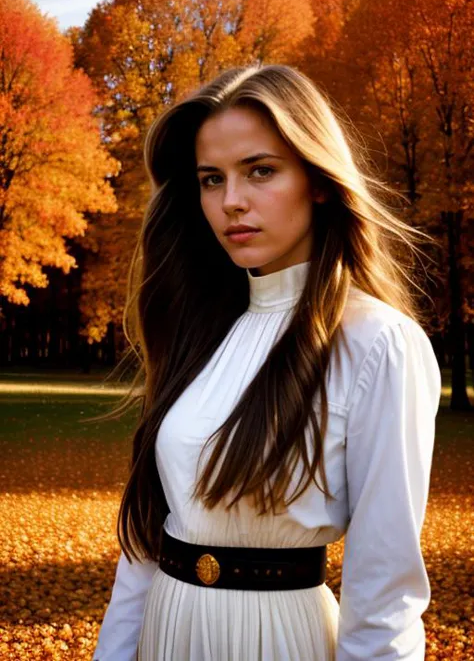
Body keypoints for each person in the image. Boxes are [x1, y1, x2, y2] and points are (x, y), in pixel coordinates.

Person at [92, 64, 441, 661]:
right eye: (210, 179)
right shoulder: (198, 332)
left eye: (260, 171)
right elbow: (148, 539)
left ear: (320, 180)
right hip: (165, 634)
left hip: (277, 640)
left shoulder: (378, 343)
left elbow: (384, 587)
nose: (231, 201)